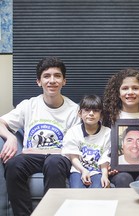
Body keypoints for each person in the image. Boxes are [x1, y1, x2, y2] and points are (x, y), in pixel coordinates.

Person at [0, 56, 80, 216]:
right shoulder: (28, 105)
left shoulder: (74, 110)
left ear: (64, 81)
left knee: (53, 162)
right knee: (14, 164)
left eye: (57, 76)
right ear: (39, 81)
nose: (52, 80)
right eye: (46, 76)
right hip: (31, 158)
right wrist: (10, 137)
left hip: (59, 157)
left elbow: (76, 146)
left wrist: (40, 152)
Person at [102, 68, 139, 187]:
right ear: (118, 93)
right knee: (123, 178)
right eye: (125, 88)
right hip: (119, 171)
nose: (130, 92)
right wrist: (110, 165)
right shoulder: (109, 117)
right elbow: (104, 148)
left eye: (135, 88)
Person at [62, 95, 111, 188]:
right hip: (78, 170)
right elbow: (73, 156)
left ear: (101, 115)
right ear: (80, 113)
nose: (91, 114)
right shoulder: (73, 132)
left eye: (96, 111)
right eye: (87, 110)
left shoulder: (108, 133)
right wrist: (83, 171)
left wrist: (105, 175)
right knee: (77, 191)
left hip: (98, 171)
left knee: (98, 191)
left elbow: (106, 157)